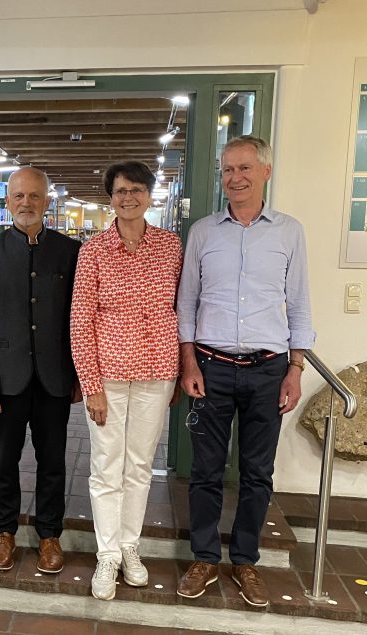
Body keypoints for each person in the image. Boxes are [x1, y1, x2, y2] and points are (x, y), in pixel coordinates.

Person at [176, 135, 315, 607]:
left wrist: (295, 369)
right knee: (206, 472)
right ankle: (204, 558)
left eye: (244, 169)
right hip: (210, 368)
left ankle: (246, 560)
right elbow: (187, 302)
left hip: (268, 370)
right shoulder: (203, 232)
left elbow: (298, 304)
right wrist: (188, 361)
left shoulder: (289, 232)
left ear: (265, 173)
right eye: (227, 170)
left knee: (257, 473)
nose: (234, 178)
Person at [70, 161, 182, 600]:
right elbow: (80, 321)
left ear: (150, 195)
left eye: (137, 189)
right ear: (110, 197)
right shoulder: (94, 250)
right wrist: (91, 384)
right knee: (105, 465)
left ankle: (131, 546)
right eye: (120, 190)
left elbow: (180, 306)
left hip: (157, 371)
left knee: (139, 465)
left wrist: (177, 372)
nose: (129, 197)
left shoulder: (171, 246)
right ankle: (107, 554)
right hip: (109, 375)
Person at [0, 167, 80, 574]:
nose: (27, 203)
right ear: (7, 201)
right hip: (5, 380)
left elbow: (77, 319)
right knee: (4, 460)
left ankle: (50, 534)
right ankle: (4, 532)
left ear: (47, 202)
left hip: (54, 379)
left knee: (53, 461)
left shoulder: (70, 251)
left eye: (35, 196)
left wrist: (78, 376)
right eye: (19, 196)